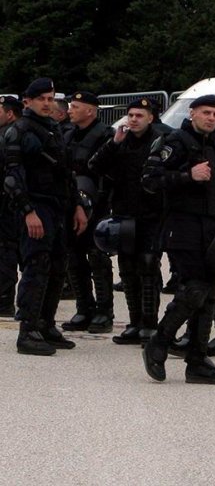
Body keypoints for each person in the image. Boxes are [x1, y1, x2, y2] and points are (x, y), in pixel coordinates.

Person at [141, 94, 215, 384]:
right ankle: (159, 342)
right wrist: (187, 175)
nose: (211, 118)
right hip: (182, 226)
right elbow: (149, 180)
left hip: (212, 228)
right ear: (192, 112)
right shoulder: (175, 141)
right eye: (206, 112)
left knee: (210, 292)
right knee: (195, 288)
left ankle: (197, 360)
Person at [3, 78, 88, 355]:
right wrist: (28, 212)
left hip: (59, 207)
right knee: (36, 267)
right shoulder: (19, 131)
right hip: (36, 207)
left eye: (51, 99)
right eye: (42, 99)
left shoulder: (52, 129)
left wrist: (76, 205)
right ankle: (28, 330)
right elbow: (13, 177)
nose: (47, 104)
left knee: (57, 266)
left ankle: (46, 324)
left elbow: (66, 173)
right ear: (27, 102)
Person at [88, 98, 165, 345]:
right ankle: (134, 322)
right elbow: (94, 166)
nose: (133, 119)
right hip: (125, 213)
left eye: (139, 115)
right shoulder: (121, 142)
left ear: (150, 117)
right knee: (128, 269)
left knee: (148, 266)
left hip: (152, 215)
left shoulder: (161, 141)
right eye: (130, 115)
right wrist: (114, 143)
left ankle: (150, 324)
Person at [61, 91, 115, 333]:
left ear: (90, 111)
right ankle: (84, 308)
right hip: (72, 203)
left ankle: (104, 312)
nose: (70, 110)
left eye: (75, 106)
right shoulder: (68, 134)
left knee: (97, 257)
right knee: (74, 258)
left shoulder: (106, 135)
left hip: (98, 204)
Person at [0, 96, 24, 318]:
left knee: (7, 250)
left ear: (9, 113)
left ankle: (4, 299)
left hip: (9, 203)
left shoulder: (11, 134)